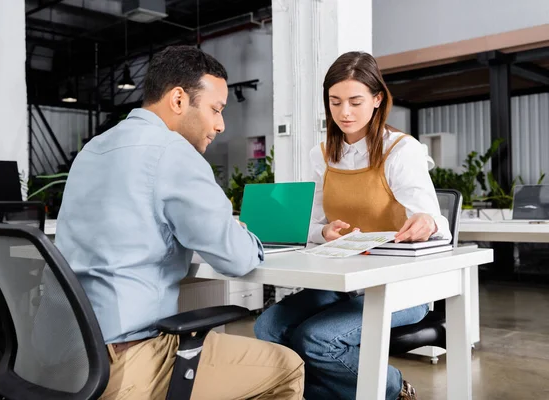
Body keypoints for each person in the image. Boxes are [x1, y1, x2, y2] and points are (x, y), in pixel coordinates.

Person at [55, 45, 304, 400]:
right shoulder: (172, 153)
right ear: (177, 100)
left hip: (67, 357)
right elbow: (236, 258)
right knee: (287, 365)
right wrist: (242, 235)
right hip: (127, 362)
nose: (220, 125)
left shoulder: (92, 149)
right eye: (216, 109)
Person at [254, 51, 452, 400]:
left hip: (401, 285)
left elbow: (439, 225)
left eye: (356, 101)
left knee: (316, 338)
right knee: (267, 327)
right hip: (344, 280)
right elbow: (313, 226)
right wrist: (324, 232)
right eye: (335, 102)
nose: (344, 112)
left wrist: (427, 222)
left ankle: (393, 388)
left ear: (377, 100)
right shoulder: (323, 156)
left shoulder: (401, 151)